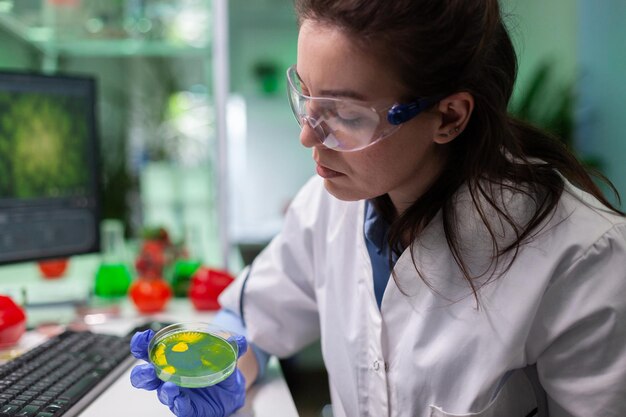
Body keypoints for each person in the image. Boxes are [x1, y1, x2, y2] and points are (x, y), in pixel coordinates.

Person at [129, 0, 626, 416]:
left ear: (449, 117)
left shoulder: (585, 260)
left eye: (345, 114)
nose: (308, 136)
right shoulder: (327, 208)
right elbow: (252, 324)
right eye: (306, 96)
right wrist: (215, 369)